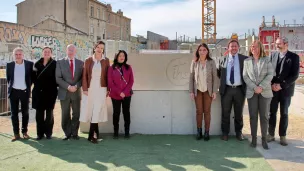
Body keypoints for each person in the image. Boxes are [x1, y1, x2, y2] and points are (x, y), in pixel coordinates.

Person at [267, 37, 300, 146]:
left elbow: (294, 75)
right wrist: (272, 85)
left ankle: (282, 136)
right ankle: (271, 135)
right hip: (273, 90)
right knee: (272, 113)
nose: (277, 46)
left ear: (286, 44)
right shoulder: (273, 56)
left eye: (279, 44)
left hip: (286, 91)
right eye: (276, 44)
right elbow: (269, 72)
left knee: (284, 113)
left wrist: (281, 85)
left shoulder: (294, 57)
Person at [243, 40, 273, 149]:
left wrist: (261, 87)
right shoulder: (246, 61)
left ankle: (264, 139)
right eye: (251, 47)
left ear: (260, 48)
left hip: (265, 92)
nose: (253, 48)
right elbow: (245, 76)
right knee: (253, 116)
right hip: (252, 93)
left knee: (264, 116)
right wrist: (254, 87)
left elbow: (270, 74)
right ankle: (254, 139)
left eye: (255, 46)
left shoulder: (267, 59)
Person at [217, 39, 248, 141]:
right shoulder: (223, 59)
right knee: (225, 113)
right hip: (227, 90)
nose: (234, 48)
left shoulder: (244, 59)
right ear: (228, 48)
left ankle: (239, 133)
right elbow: (219, 73)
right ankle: (225, 133)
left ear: (238, 47)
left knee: (239, 113)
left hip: (240, 90)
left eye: (235, 46)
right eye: (232, 46)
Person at [80, 41, 110, 144]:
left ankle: (91, 135)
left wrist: (108, 89)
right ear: (94, 48)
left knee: (97, 109)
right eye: (98, 47)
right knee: (92, 110)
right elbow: (84, 75)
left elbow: (108, 76)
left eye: (102, 48)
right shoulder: (88, 60)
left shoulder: (106, 61)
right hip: (90, 87)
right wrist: (84, 88)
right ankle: (95, 134)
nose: (99, 49)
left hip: (102, 88)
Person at [189, 43, 218, 141]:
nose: (202, 52)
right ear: (198, 51)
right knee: (199, 112)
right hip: (198, 91)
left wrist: (214, 91)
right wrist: (191, 91)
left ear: (207, 51)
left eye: (204, 50)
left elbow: (215, 78)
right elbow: (191, 78)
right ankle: (199, 131)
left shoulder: (211, 62)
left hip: (207, 91)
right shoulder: (194, 62)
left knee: (207, 112)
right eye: (200, 50)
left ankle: (207, 132)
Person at [56, 44, 83, 140]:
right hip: (64, 92)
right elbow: (58, 78)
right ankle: (67, 133)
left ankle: (75, 133)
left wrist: (76, 86)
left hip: (76, 92)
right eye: (69, 50)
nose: (71, 52)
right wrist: (68, 86)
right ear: (66, 51)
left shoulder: (81, 63)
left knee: (76, 113)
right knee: (65, 113)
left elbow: (82, 78)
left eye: (72, 50)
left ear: (75, 52)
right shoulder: (59, 62)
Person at [6, 47, 34, 142]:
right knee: (14, 114)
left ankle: (24, 132)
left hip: (24, 92)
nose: (18, 56)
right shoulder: (9, 65)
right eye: (16, 54)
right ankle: (16, 134)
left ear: (23, 55)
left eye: (19, 54)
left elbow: (32, 78)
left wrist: (27, 87)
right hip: (13, 92)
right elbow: (8, 78)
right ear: (13, 55)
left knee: (25, 113)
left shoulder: (29, 64)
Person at [32, 46, 58, 140]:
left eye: (48, 52)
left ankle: (48, 133)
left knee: (49, 114)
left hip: (51, 92)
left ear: (51, 53)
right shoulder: (37, 63)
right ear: (42, 53)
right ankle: (39, 134)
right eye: (45, 51)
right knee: (39, 114)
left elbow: (57, 77)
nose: (46, 53)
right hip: (38, 92)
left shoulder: (55, 63)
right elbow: (33, 77)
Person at [108, 50, 134, 139]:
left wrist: (125, 92)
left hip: (127, 95)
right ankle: (116, 133)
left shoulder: (129, 67)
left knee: (126, 113)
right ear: (117, 57)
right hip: (115, 95)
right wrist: (119, 92)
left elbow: (131, 81)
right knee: (116, 113)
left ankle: (127, 132)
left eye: (123, 56)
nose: (122, 57)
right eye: (120, 56)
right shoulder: (111, 68)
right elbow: (110, 83)